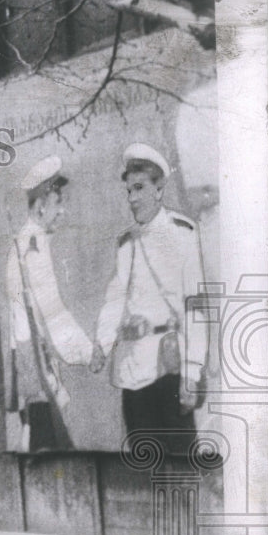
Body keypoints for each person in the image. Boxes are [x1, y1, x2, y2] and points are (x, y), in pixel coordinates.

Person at [90, 143, 208, 457]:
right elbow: (115, 298)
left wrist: (192, 373)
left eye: (140, 188)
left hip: (169, 367)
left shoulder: (182, 234)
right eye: (129, 191)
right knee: (143, 461)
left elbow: (194, 307)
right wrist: (101, 345)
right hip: (132, 368)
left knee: (181, 461)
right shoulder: (126, 243)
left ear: (159, 189)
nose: (133, 198)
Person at [6, 155, 95, 452]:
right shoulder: (33, 246)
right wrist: (86, 352)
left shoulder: (27, 242)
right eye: (59, 202)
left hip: (33, 363)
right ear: (42, 203)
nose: (62, 211)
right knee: (49, 452)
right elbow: (51, 309)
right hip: (37, 365)